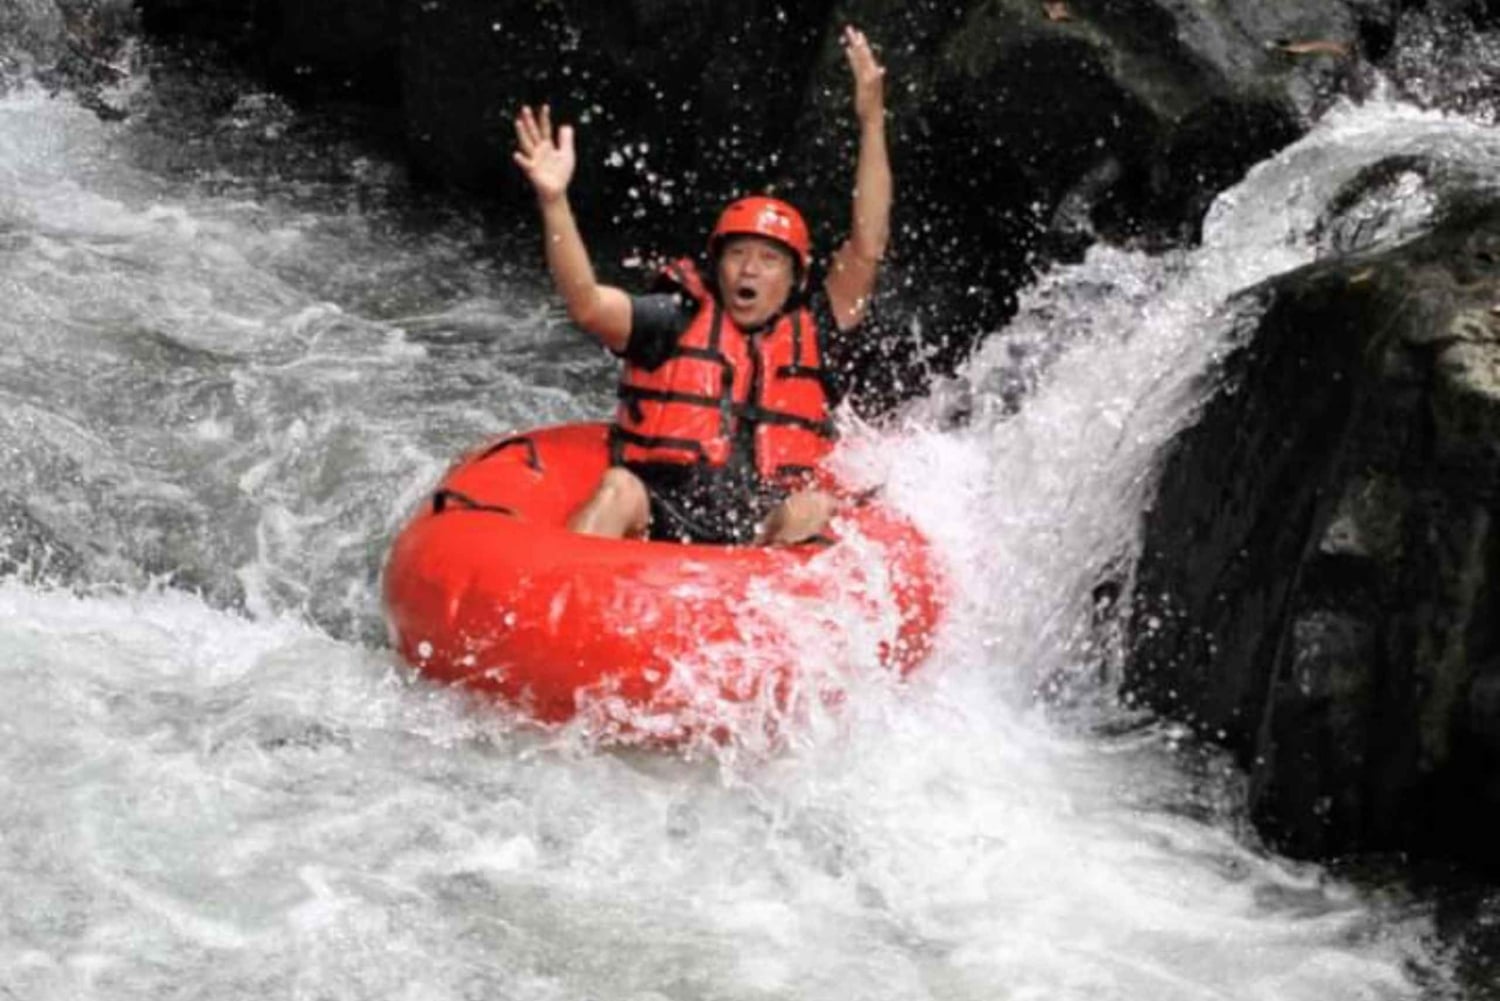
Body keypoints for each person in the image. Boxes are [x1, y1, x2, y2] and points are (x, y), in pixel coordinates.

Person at [512, 25, 890, 546]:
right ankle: (554, 606)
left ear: (796, 276)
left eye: (767, 260)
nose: (749, 270)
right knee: (618, 488)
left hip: (761, 530)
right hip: (663, 513)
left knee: (810, 508)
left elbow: (867, 246)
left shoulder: (817, 327)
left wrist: (871, 120)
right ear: (717, 265)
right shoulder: (674, 316)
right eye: (737, 255)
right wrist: (554, 201)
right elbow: (586, 303)